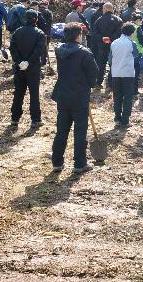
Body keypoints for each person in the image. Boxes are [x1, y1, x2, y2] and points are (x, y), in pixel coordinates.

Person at [51, 22, 98, 173]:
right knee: (80, 131)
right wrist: (90, 85)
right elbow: (93, 74)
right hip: (79, 95)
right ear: (78, 36)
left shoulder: (59, 50)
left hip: (63, 94)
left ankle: (57, 162)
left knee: (61, 130)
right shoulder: (84, 53)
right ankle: (79, 163)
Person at [9, 11, 47, 127]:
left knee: (18, 93)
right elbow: (39, 51)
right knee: (34, 94)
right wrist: (28, 62)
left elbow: (12, 49)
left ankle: (15, 118)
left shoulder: (17, 32)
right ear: (35, 19)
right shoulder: (39, 33)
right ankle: (35, 119)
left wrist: (20, 61)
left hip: (20, 67)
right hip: (33, 68)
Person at [109, 23, 139, 127]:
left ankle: (117, 117)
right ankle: (125, 120)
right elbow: (136, 55)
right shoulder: (131, 43)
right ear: (131, 33)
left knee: (117, 96)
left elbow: (110, 59)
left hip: (116, 73)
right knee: (127, 97)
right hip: (128, 73)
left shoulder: (114, 43)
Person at [91, 4, 123, 88]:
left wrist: (102, 38)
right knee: (113, 63)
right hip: (114, 45)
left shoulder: (99, 20)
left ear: (104, 9)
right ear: (112, 9)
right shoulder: (118, 20)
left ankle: (98, 82)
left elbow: (94, 33)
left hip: (101, 44)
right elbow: (119, 33)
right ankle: (111, 83)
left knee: (101, 63)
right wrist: (111, 38)